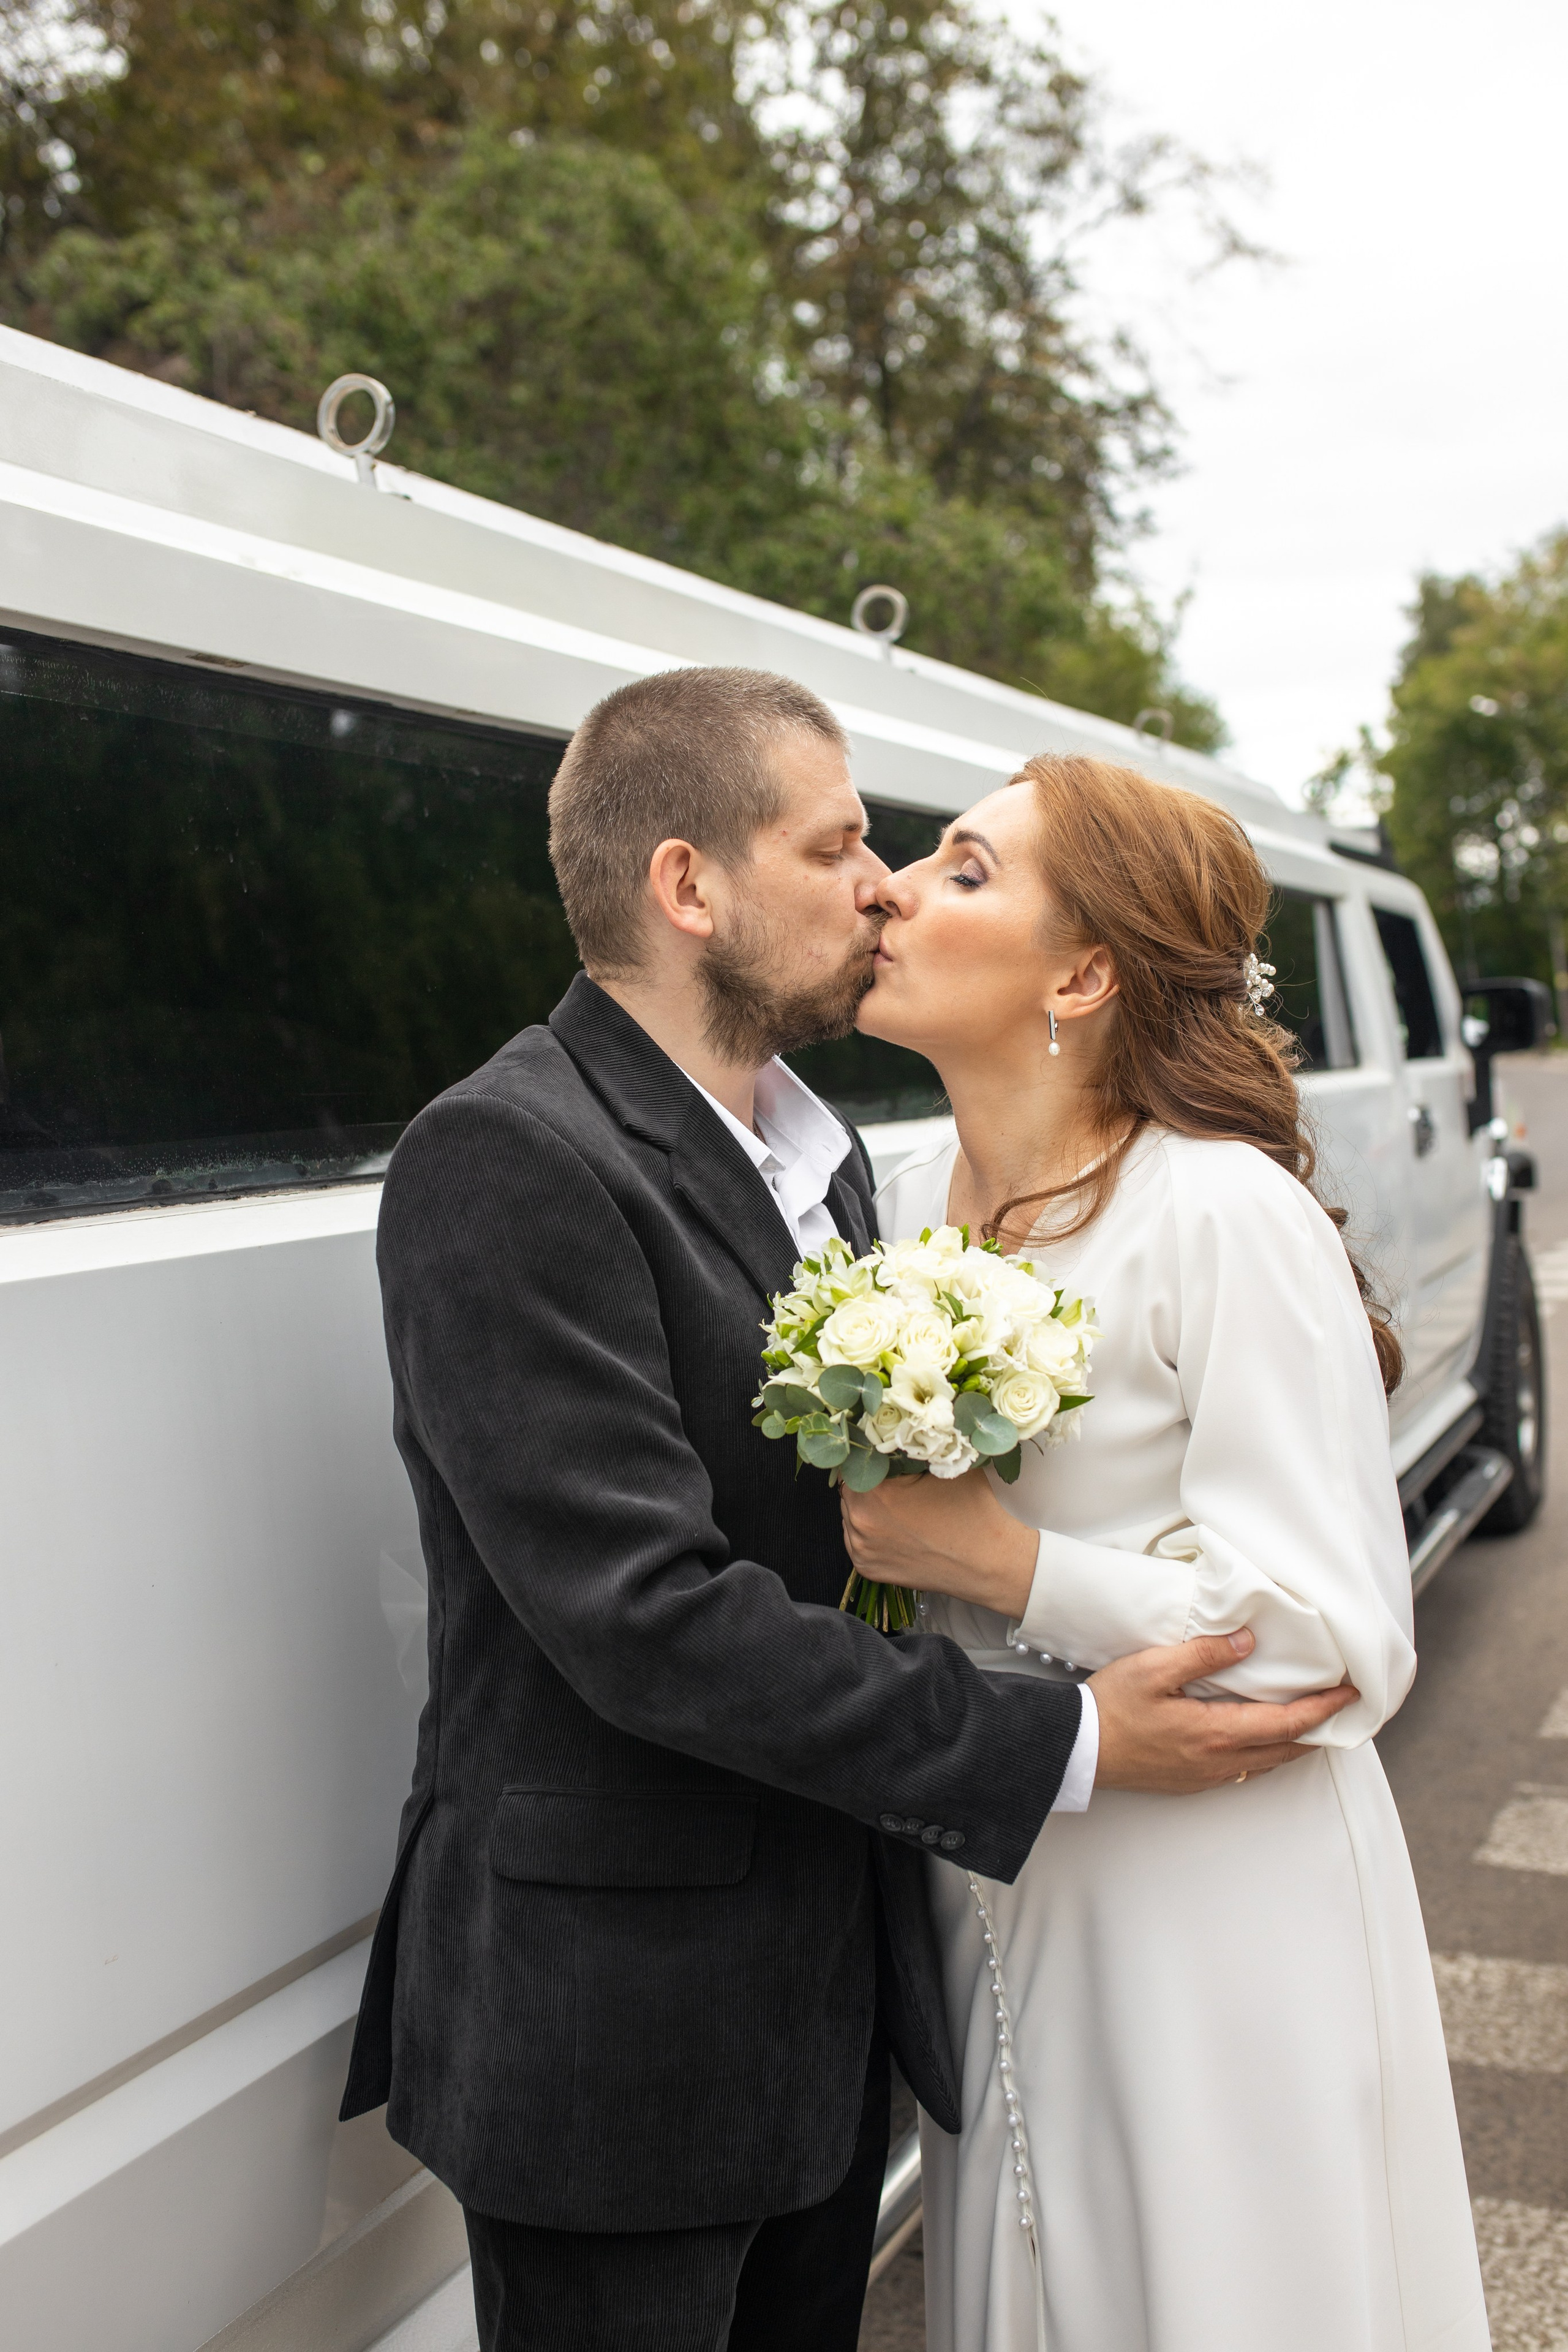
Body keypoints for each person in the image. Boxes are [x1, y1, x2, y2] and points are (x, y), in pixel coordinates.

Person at [339, 674, 1356, 2352]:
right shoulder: (510, 1153)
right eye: (836, 848)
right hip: (619, 2046)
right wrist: (1069, 1740)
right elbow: (646, 1620)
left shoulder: (838, 1176)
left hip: (820, 2022)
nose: (882, 886)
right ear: (689, 887)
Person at [840, 751, 1488, 2352]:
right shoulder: (898, 1205)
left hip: (1214, 1895)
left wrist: (1005, 1566)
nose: (892, 890)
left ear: (1082, 976)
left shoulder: (1219, 1212)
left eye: (966, 870)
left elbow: (1336, 1638)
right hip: (1000, 1871)